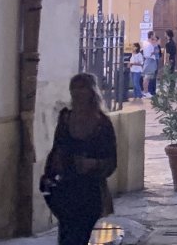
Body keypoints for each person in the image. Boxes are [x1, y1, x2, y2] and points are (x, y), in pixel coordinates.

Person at [44, 73, 117, 245]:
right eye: (74, 88)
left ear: (92, 92)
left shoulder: (102, 124)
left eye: (82, 88)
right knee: (66, 236)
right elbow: (57, 148)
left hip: (89, 191)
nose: (77, 92)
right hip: (67, 188)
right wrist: (50, 173)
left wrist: (93, 164)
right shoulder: (65, 118)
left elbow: (112, 161)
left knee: (79, 236)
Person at [142, 32, 159, 96]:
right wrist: (154, 52)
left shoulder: (145, 42)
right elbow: (151, 52)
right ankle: (146, 92)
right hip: (150, 60)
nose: (154, 37)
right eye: (154, 35)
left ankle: (146, 92)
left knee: (147, 77)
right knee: (147, 77)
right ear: (151, 36)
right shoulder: (149, 44)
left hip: (148, 60)